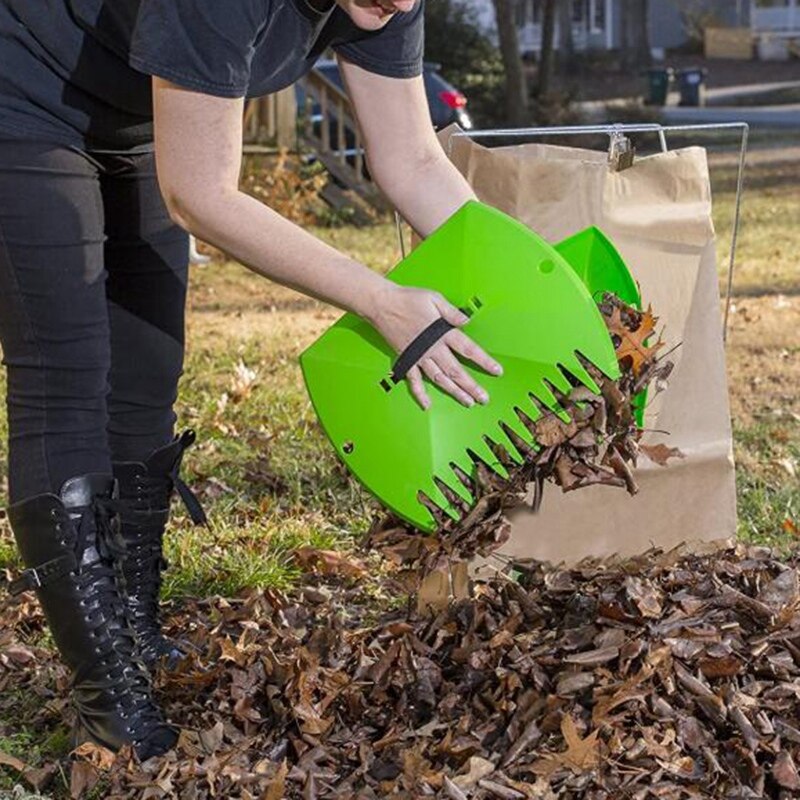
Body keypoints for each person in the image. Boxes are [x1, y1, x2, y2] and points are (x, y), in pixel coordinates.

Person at [0, 0, 503, 759]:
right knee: (68, 370)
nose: (400, 4)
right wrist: (380, 299)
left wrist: (522, 289)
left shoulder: (386, 0)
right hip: (22, 96)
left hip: (140, 123)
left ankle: (132, 631)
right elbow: (200, 195)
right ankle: (108, 693)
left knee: (145, 381)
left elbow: (413, 160)